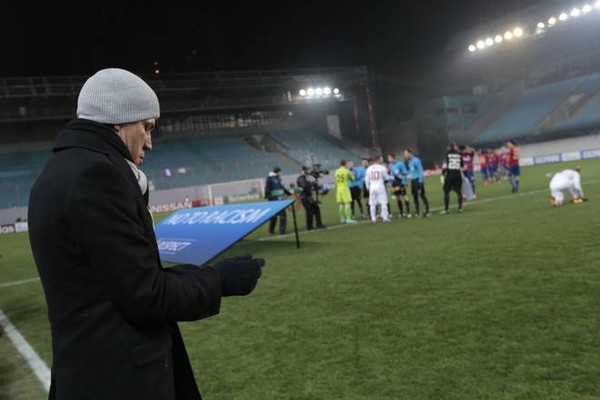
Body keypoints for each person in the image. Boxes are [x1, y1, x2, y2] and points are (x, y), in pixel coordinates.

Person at [27, 68, 265, 400]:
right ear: (118, 120)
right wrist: (220, 279)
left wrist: (203, 274)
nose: (150, 142)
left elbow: (124, 279)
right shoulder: (96, 176)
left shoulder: (62, 170)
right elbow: (145, 295)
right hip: (118, 380)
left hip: (90, 371)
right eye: (147, 126)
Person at [297, 166, 326, 230]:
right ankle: (309, 226)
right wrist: (312, 183)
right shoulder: (301, 178)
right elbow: (304, 186)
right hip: (305, 197)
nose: (309, 171)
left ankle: (319, 224)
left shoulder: (306, 178)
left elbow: (310, 187)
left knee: (316, 209)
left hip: (309, 197)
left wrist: (317, 187)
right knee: (309, 212)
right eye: (307, 170)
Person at [403, 148, 431, 217]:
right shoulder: (410, 162)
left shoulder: (416, 160)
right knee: (414, 196)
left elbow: (420, 170)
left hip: (418, 180)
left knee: (422, 195)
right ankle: (417, 212)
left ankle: (427, 211)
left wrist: (420, 181)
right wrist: (404, 174)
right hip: (413, 180)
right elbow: (411, 171)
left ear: (410, 153)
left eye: (405, 153)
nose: (405, 155)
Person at [265, 166, 291, 235]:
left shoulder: (279, 179)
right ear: (278, 172)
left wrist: (289, 193)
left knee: (282, 215)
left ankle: (282, 231)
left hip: (280, 200)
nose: (281, 173)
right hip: (274, 201)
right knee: (274, 216)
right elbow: (267, 188)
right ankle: (271, 230)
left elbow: (283, 188)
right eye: (280, 171)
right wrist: (269, 198)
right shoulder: (270, 179)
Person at [440, 142, 464, 215]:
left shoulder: (447, 154)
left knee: (446, 191)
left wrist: (443, 173)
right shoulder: (459, 154)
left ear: (450, 147)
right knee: (459, 192)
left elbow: (445, 164)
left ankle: (446, 209)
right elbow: (462, 165)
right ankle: (460, 208)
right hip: (457, 174)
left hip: (450, 174)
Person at [365, 156, 390, 223]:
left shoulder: (369, 168)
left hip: (372, 186)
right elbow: (386, 178)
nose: (382, 161)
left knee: (372, 203)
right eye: (381, 159)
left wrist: (367, 187)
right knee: (383, 202)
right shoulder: (382, 168)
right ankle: (385, 218)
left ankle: (373, 218)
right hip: (380, 185)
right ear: (378, 160)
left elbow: (367, 179)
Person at [387, 153, 410, 218]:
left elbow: (405, 173)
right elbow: (391, 175)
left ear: (392, 158)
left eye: (389, 158)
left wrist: (403, 182)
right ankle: (401, 213)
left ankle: (408, 213)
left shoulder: (400, 164)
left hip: (401, 182)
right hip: (395, 183)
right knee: (398, 197)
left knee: (404, 196)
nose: (388, 159)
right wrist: (391, 184)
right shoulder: (391, 165)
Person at [335, 160, 357, 224]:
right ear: (345, 164)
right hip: (345, 188)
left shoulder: (336, 171)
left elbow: (336, 182)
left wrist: (336, 190)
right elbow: (352, 179)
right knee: (347, 203)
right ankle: (348, 219)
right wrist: (353, 175)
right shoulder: (347, 171)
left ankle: (342, 219)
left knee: (341, 204)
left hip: (339, 188)